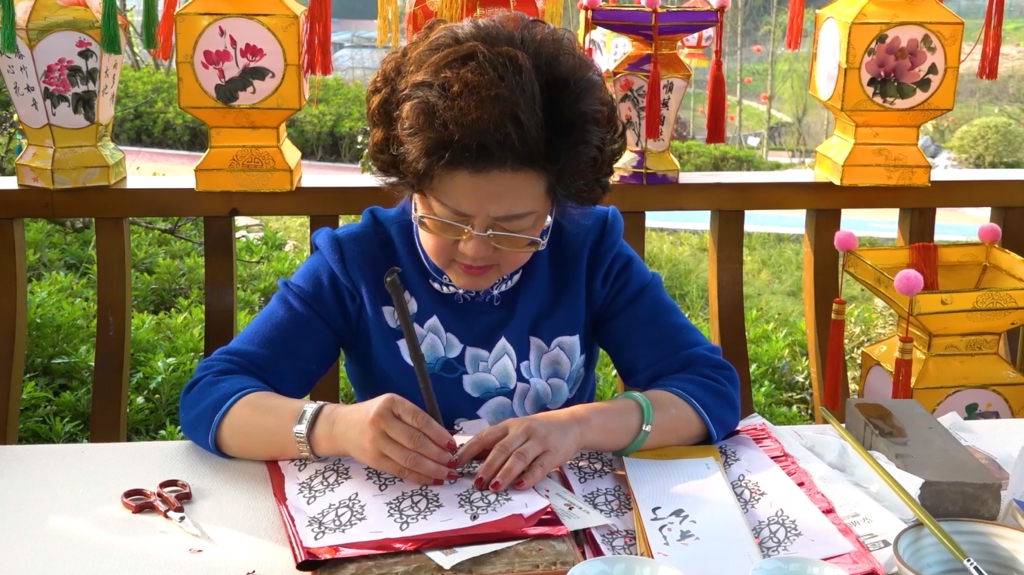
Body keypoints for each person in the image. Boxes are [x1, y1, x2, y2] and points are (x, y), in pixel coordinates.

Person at [179, 11, 741, 494]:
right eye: (447, 218)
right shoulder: (359, 263)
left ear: (557, 201)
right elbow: (213, 397)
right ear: (412, 185)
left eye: (514, 227)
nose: (475, 248)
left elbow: (708, 389)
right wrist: (337, 428)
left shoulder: (585, 249)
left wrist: (578, 427)